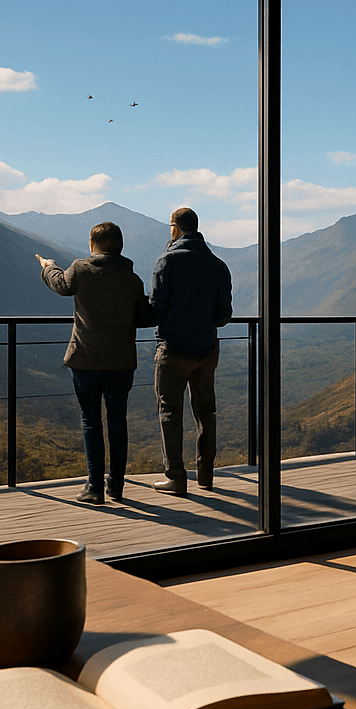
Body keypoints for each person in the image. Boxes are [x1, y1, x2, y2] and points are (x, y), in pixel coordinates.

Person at [36, 221, 150, 504]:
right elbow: (144, 316)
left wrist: (47, 266)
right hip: (121, 362)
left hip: (85, 359)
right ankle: (117, 486)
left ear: (93, 244)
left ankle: (94, 487)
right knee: (117, 422)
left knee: (91, 421)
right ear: (120, 246)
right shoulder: (132, 280)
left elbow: (62, 285)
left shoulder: (81, 269)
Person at [149, 206, 233, 494]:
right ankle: (206, 476)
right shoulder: (218, 265)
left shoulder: (166, 261)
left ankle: (175, 477)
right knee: (206, 413)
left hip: (173, 349)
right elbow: (223, 316)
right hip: (207, 349)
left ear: (175, 228)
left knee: (170, 411)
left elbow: (155, 310)